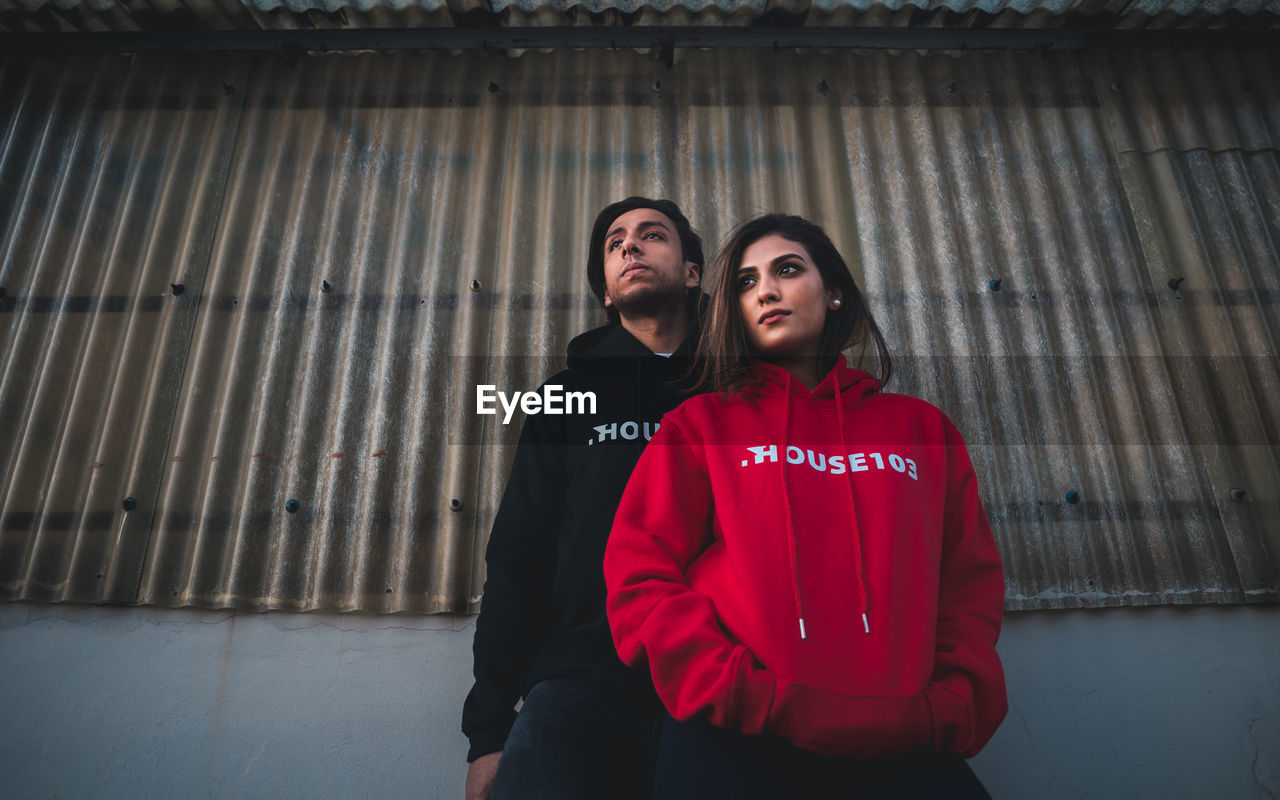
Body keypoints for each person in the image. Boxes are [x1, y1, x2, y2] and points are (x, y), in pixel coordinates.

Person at [603, 213, 1007, 798]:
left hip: (905, 743)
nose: (765, 290)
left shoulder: (920, 430)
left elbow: (966, 584)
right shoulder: (699, 426)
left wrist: (947, 707)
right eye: (744, 283)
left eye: (787, 270)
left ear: (834, 290)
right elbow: (640, 576)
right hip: (737, 740)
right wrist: (741, 691)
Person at [462, 197, 706, 800]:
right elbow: (519, 556)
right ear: (605, 289)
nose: (630, 246)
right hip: (581, 679)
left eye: (653, 235)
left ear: (692, 272)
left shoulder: (741, 387)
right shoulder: (565, 396)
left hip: (720, 678)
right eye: (615, 242)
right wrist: (490, 732)